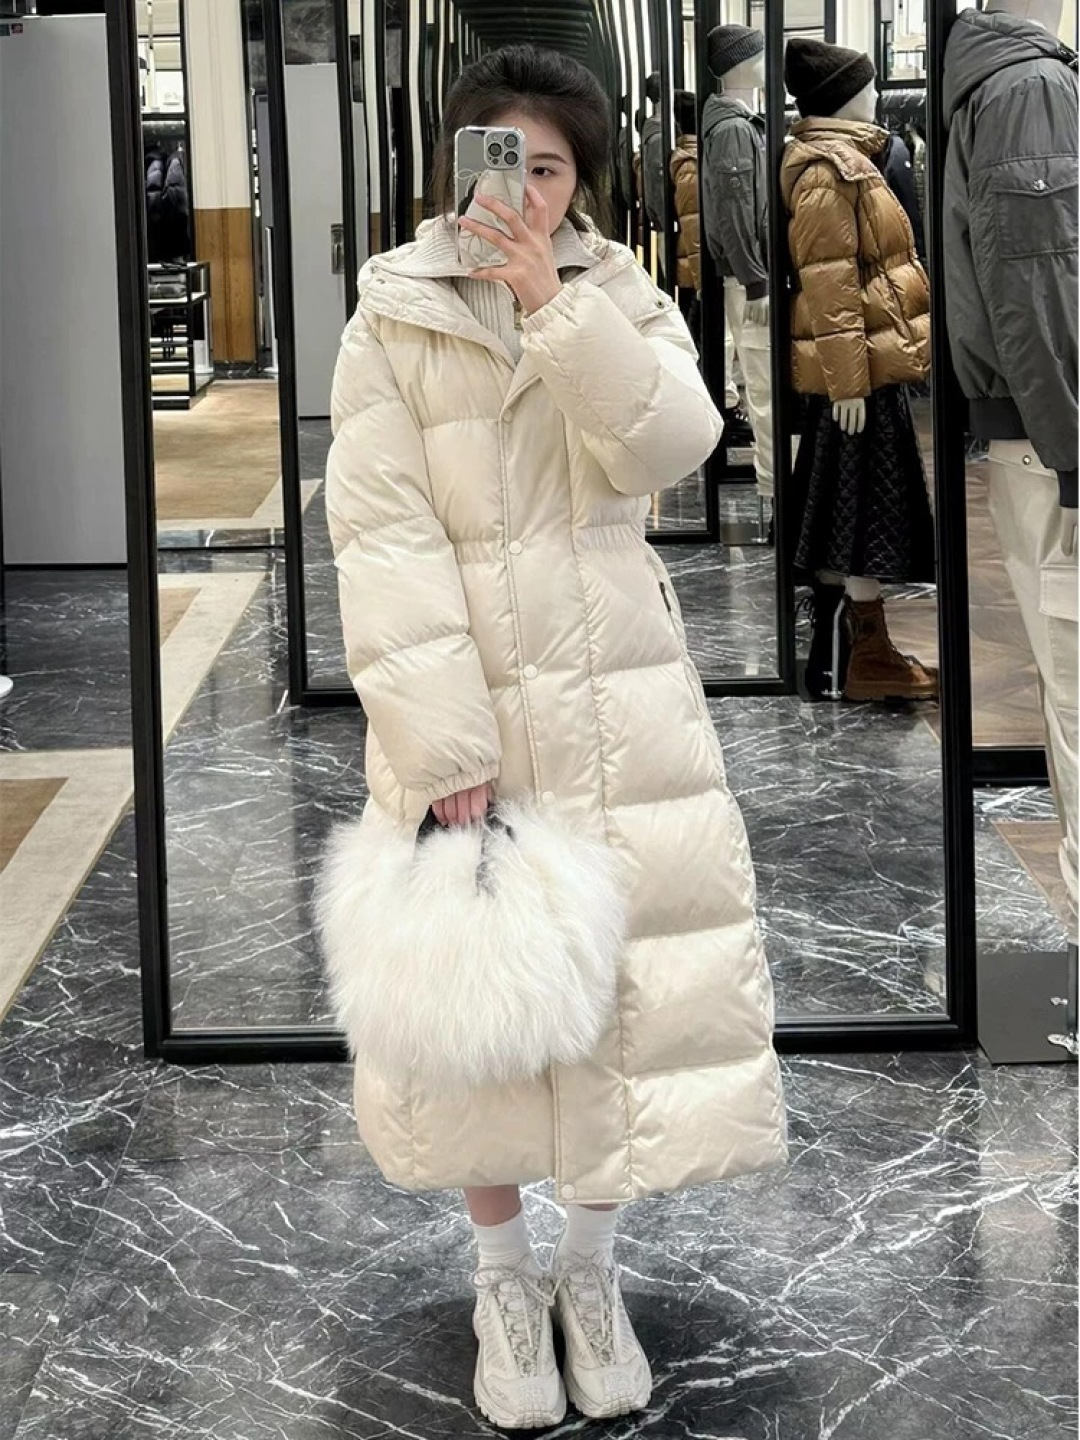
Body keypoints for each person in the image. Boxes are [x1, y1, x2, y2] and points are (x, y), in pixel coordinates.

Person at [324, 43, 787, 1432]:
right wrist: (443, 744)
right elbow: (381, 537)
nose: (523, 188)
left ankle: (589, 1273)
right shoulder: (390, 315)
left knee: (621, 1001)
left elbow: (673, 444)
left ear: (582, 182)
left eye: (551, 166)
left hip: (616, 698)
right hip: (467, 704)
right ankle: (503, 1282)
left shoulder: (617, 292)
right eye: (501, 159)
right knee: (481, 1010)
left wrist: (552, 308)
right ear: (456, 161)